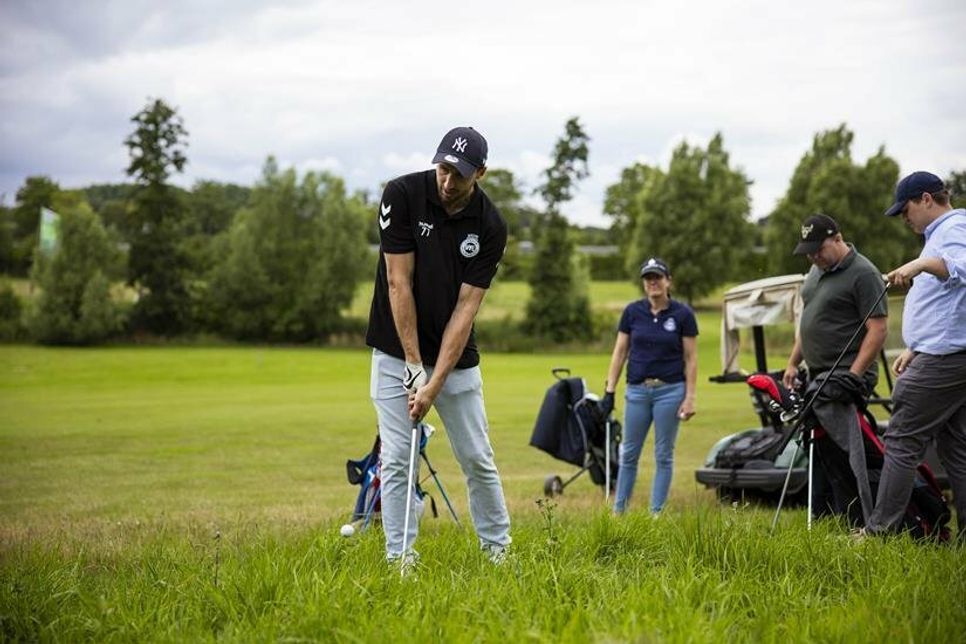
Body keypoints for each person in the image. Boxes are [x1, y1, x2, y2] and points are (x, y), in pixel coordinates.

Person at [365, 126, 511, 567]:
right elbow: (398, 282)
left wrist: (434, 382)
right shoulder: (402, 195)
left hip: (454, 360)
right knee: (396, 460)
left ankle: (498, 554)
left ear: (480, 173)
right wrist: (413, 365)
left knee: (477, 459)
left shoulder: (490, 225)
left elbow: (466, 309)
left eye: (459, 175)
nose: (447, 182)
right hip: (395, 353)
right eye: (443, 169)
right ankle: (400, 561)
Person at [865, 171, 966, 540]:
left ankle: (880, 533)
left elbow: (962, 270)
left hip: (944, 358)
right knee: (956, 447)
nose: (904, 219)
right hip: (944, 352)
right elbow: (953, 303)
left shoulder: (953, 228)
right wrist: (915, 346)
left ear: (926, 199)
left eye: (905, 210)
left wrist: (919, 264)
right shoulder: (939, 235)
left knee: (902, 440)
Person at [782, 213, 888, 524]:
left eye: (819, 248)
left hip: (845, 377)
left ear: (838, 239)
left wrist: (854, 376)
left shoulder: (863, 273)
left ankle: (860, 518)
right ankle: (828, 514)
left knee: (845, 452)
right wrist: (792, 362)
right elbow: (809, 322)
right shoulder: (815, 272)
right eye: (809, 251)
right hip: (817, 377)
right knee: (822, 448)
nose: (813, 256)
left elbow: (878, 329)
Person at [601, 258, 698, 515]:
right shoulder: (633, 312)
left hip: (670, 391)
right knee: (629, 453)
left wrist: (690, 397)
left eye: (658, 277)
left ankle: (656, 513)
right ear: (644, 283)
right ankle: (618, 512)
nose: (653, 282)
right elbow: (620, 352)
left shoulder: (683, 314)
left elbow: (691, 359)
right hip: (636, 391)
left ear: (668, 281)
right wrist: (609, 390)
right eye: (648, 278)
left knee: (663, 454)